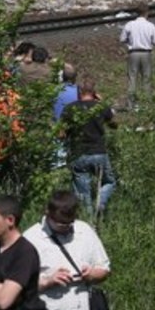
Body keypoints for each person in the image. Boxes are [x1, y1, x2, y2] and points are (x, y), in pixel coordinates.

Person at [22, 190, 112, 310]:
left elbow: (104, 269)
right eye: (60, 223)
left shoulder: (84, 231)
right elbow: (17, 285)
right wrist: (48, 281)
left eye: (69, 223)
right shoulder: (31, 238)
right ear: (47, 213)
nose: (65, 227)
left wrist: (91, 275)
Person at [64, 81, 117, 215]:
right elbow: (114, 125)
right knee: (109, 182)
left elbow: (61, 134)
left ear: (78, 92)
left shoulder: (70, 108)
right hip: (99, 152)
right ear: (94, 93)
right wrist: (104, 104)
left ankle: (88, 219)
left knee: (83, 193)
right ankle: (101, 201)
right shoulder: (100, 107)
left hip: (78, 153)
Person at [119, 5, 155, 110]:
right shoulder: (150, 25)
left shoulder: (130, 24)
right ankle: (146, 103)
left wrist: (130, 41)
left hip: (133, 52)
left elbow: (122, 38)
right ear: (147, 13)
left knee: (132, 78)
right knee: (146, 78)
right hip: (146, 53)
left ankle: (130, 104)